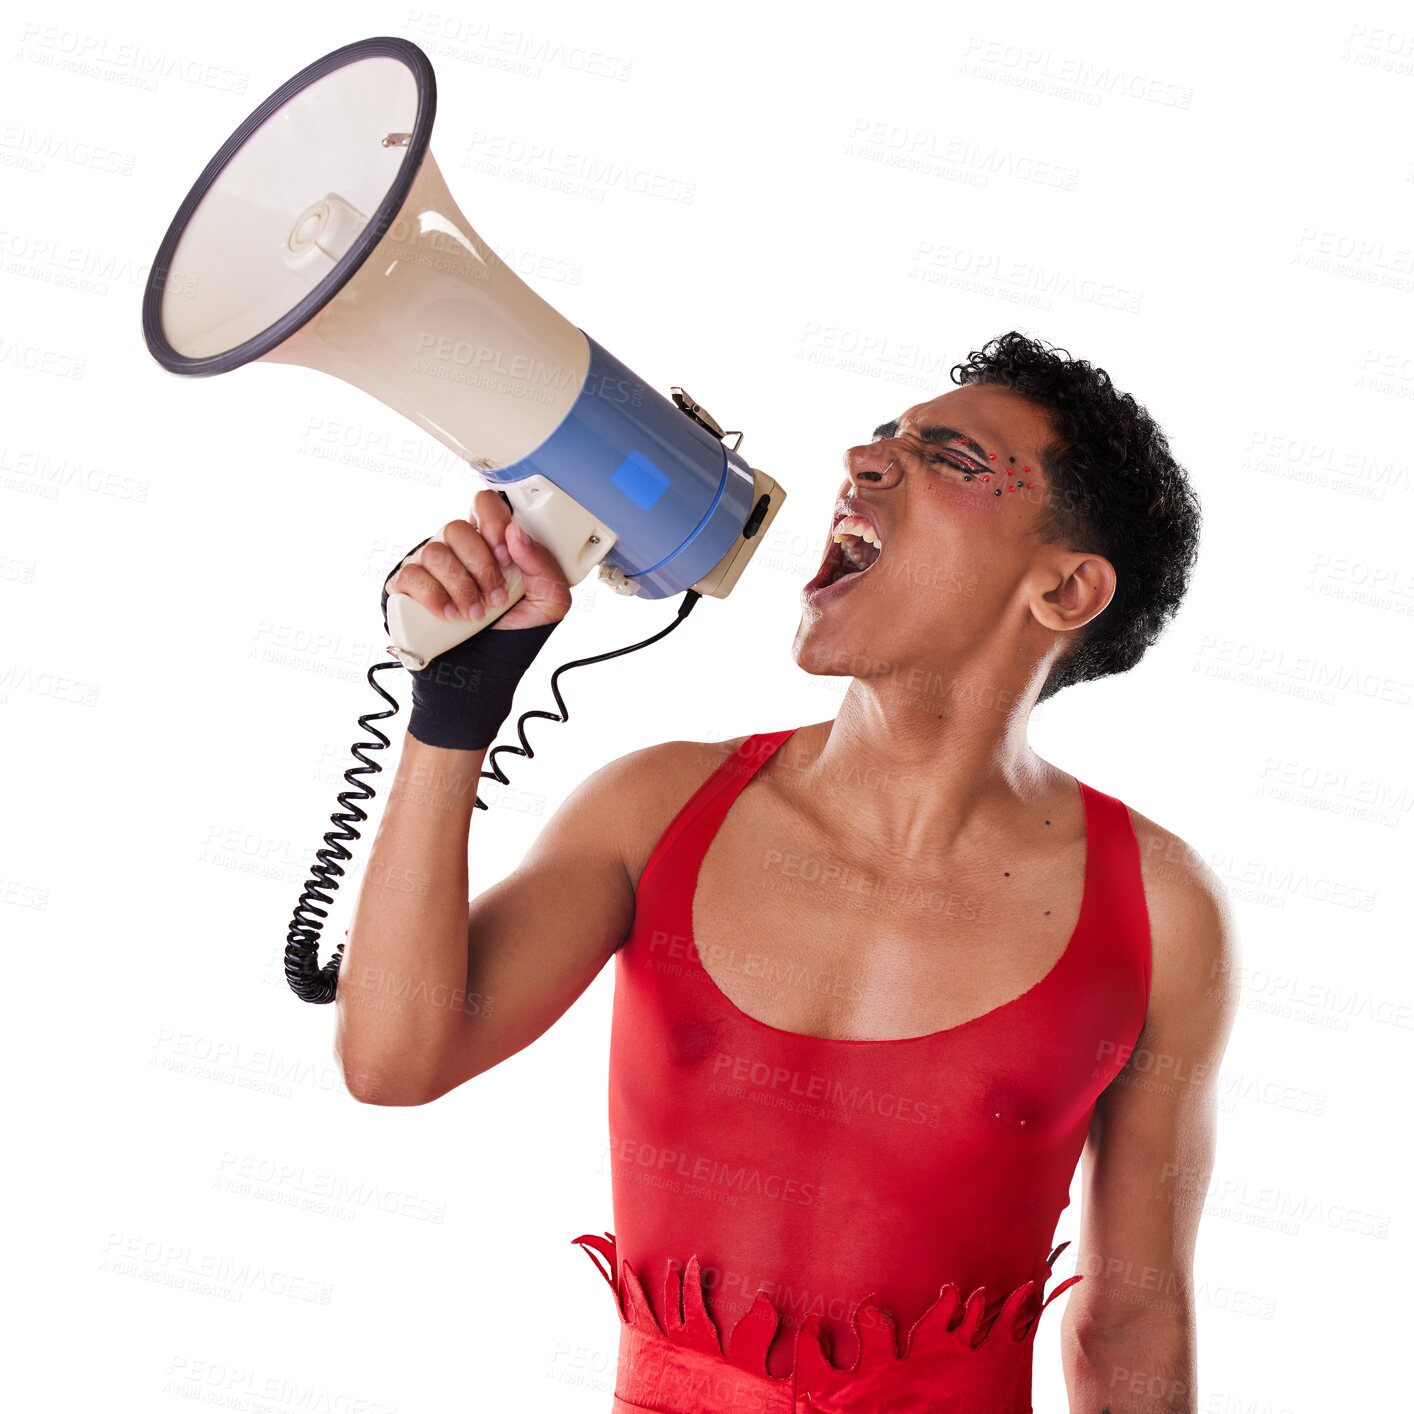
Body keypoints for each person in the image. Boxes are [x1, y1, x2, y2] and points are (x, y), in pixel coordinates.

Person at [336, 330, 1239, 1414]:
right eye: (883, 436)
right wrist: (453, 712)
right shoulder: (656, 807)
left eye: (947, 458)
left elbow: (1132, 1317)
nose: (864, 458)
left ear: (1064, 590)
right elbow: (393, 1057)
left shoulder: (1158, 911)